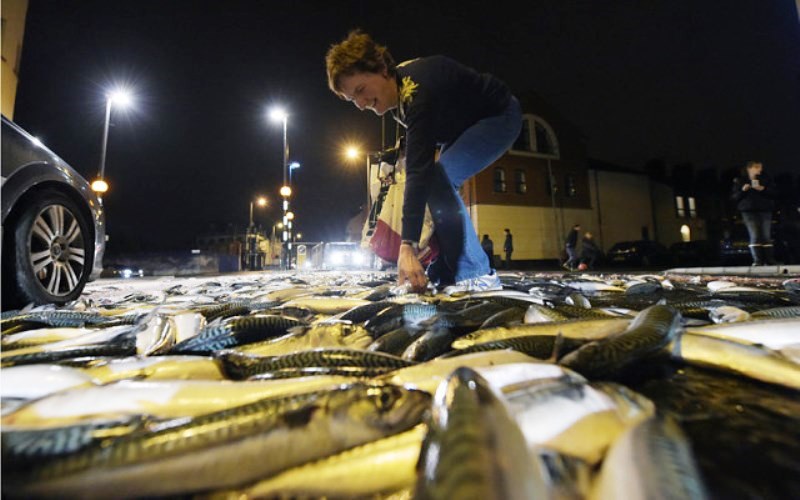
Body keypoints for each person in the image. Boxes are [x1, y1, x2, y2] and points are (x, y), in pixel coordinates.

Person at [326, 31, 522, 293]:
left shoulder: (416, 92)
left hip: (499, 116)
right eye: (353, 100)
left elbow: (419, 172)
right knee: (436, 183)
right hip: (463, 128)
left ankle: (479, 273)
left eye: (361, 90)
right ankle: (447, 265)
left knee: (437, 178)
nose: (361, 105)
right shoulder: (397, 97)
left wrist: (407, 244)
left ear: (382, 69)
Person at [731, 161, 775, 265]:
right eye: (757, 167)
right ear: (749, 168)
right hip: (748, 211)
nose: (760, 170)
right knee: (755, 235)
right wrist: (743, 190)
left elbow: (774, 193)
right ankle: (757, 260)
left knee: (766, 235)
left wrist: (762, 189)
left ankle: (769, 260)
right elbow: (734, 197)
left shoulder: (765, 179)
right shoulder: (740, 181)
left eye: (760, 167)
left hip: (764, 210)